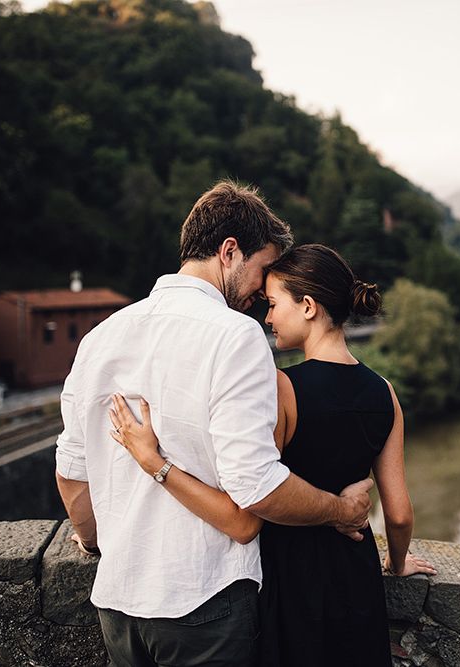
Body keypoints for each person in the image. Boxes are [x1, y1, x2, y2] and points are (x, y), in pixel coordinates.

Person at [55, 183, 375, 667]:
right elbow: (255, 489)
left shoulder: (101, 337)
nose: (258, 295)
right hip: (204, 602)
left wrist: (100, 543)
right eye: (262, 270)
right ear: (230, 252)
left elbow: (72, 475)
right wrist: (338, 511)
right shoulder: (236, 335)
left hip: (118, 607)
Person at [110, 243, 437, 667]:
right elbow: (398, 514)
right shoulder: (386, 393)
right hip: (354, 572)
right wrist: (394, 563)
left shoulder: (281, 387)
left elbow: (255, 488)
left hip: (289, 572)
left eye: (274, 303)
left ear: (307, 306)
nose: (266, 317)